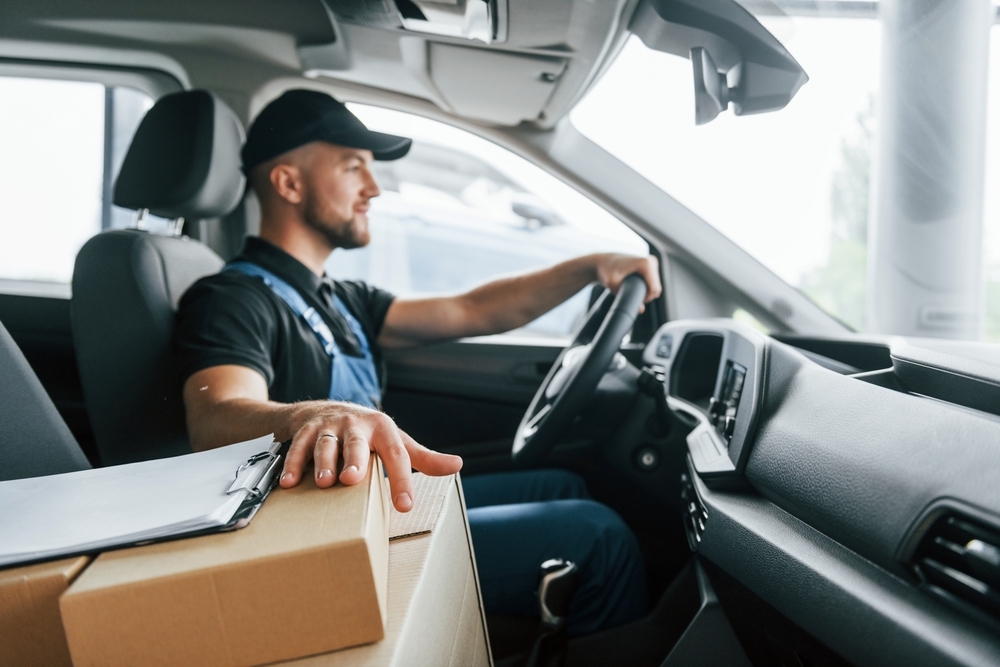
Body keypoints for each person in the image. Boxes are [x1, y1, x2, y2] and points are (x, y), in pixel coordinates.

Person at [175, 89, 661, 635]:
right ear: (288, 183)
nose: (374, 187)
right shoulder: (232, 299)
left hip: (376, 502)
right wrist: (311, 416)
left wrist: (592, 266)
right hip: (325, 532)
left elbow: (472, 309)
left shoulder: (340, 297)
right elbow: (214, 415)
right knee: (598, 535)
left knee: (559, 485)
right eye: (353, 166)